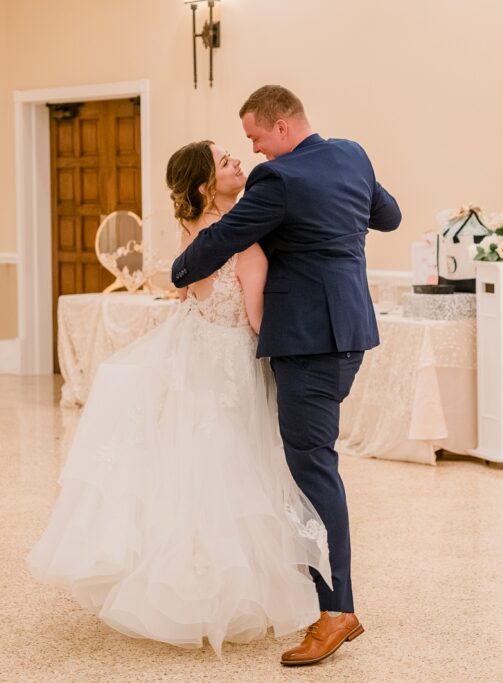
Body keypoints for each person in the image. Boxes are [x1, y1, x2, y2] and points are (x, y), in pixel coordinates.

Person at [27, 140, 331, 656]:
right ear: (206, 186)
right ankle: (227, 590)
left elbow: (187, 296)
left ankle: (182, 582)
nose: (237, 162)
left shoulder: (191, 231)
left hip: (194, 355)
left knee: (191, 465)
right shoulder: (245, 243)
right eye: (225, 161)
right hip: (231, 360)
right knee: (236, 466)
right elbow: (257, 321)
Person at [171, 85, 402, 666]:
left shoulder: (277, 179)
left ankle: (337, 612)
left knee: (313, 469)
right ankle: (316, 591)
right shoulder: (351, 154)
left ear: (280, 127)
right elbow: (389, 216)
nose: (252, 149)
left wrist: (181, 267)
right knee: (309, 462)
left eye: (254, 137)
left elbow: (225, 236)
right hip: (350, 334)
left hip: (307, 342)